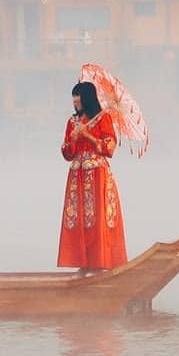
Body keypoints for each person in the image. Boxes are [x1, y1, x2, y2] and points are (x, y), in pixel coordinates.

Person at [58, 80, 127, 272]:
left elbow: (109, 147)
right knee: (78, 218)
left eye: (78, 100)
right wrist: (72, 140)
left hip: (97, 175)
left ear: (87, 99)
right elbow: (66, 153)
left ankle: (100, 262)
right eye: (73, 100)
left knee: (97, 218)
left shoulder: (103, 119)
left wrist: (88, 135)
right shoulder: (72, 122)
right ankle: (83, 263)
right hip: (77, 176)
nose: (75, 103)